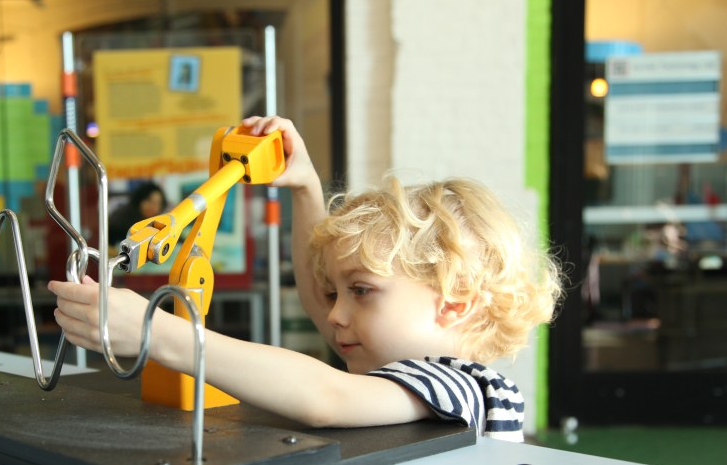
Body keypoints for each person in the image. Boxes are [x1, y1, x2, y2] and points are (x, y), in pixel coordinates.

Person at [49, 116, 563, 442]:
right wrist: (305, 187)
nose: (334, 313)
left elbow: (325, 398)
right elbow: (319, 294)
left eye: (361, 291)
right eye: (340, 292)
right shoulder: (396, 365)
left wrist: (156, 333)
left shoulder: (462, 387)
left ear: (454, 302)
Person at [106, 181, 168, 246]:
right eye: (149, 200)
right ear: (140, 199)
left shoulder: (160, 225)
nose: (152, 206)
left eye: (157, 203)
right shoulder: (122, 217)